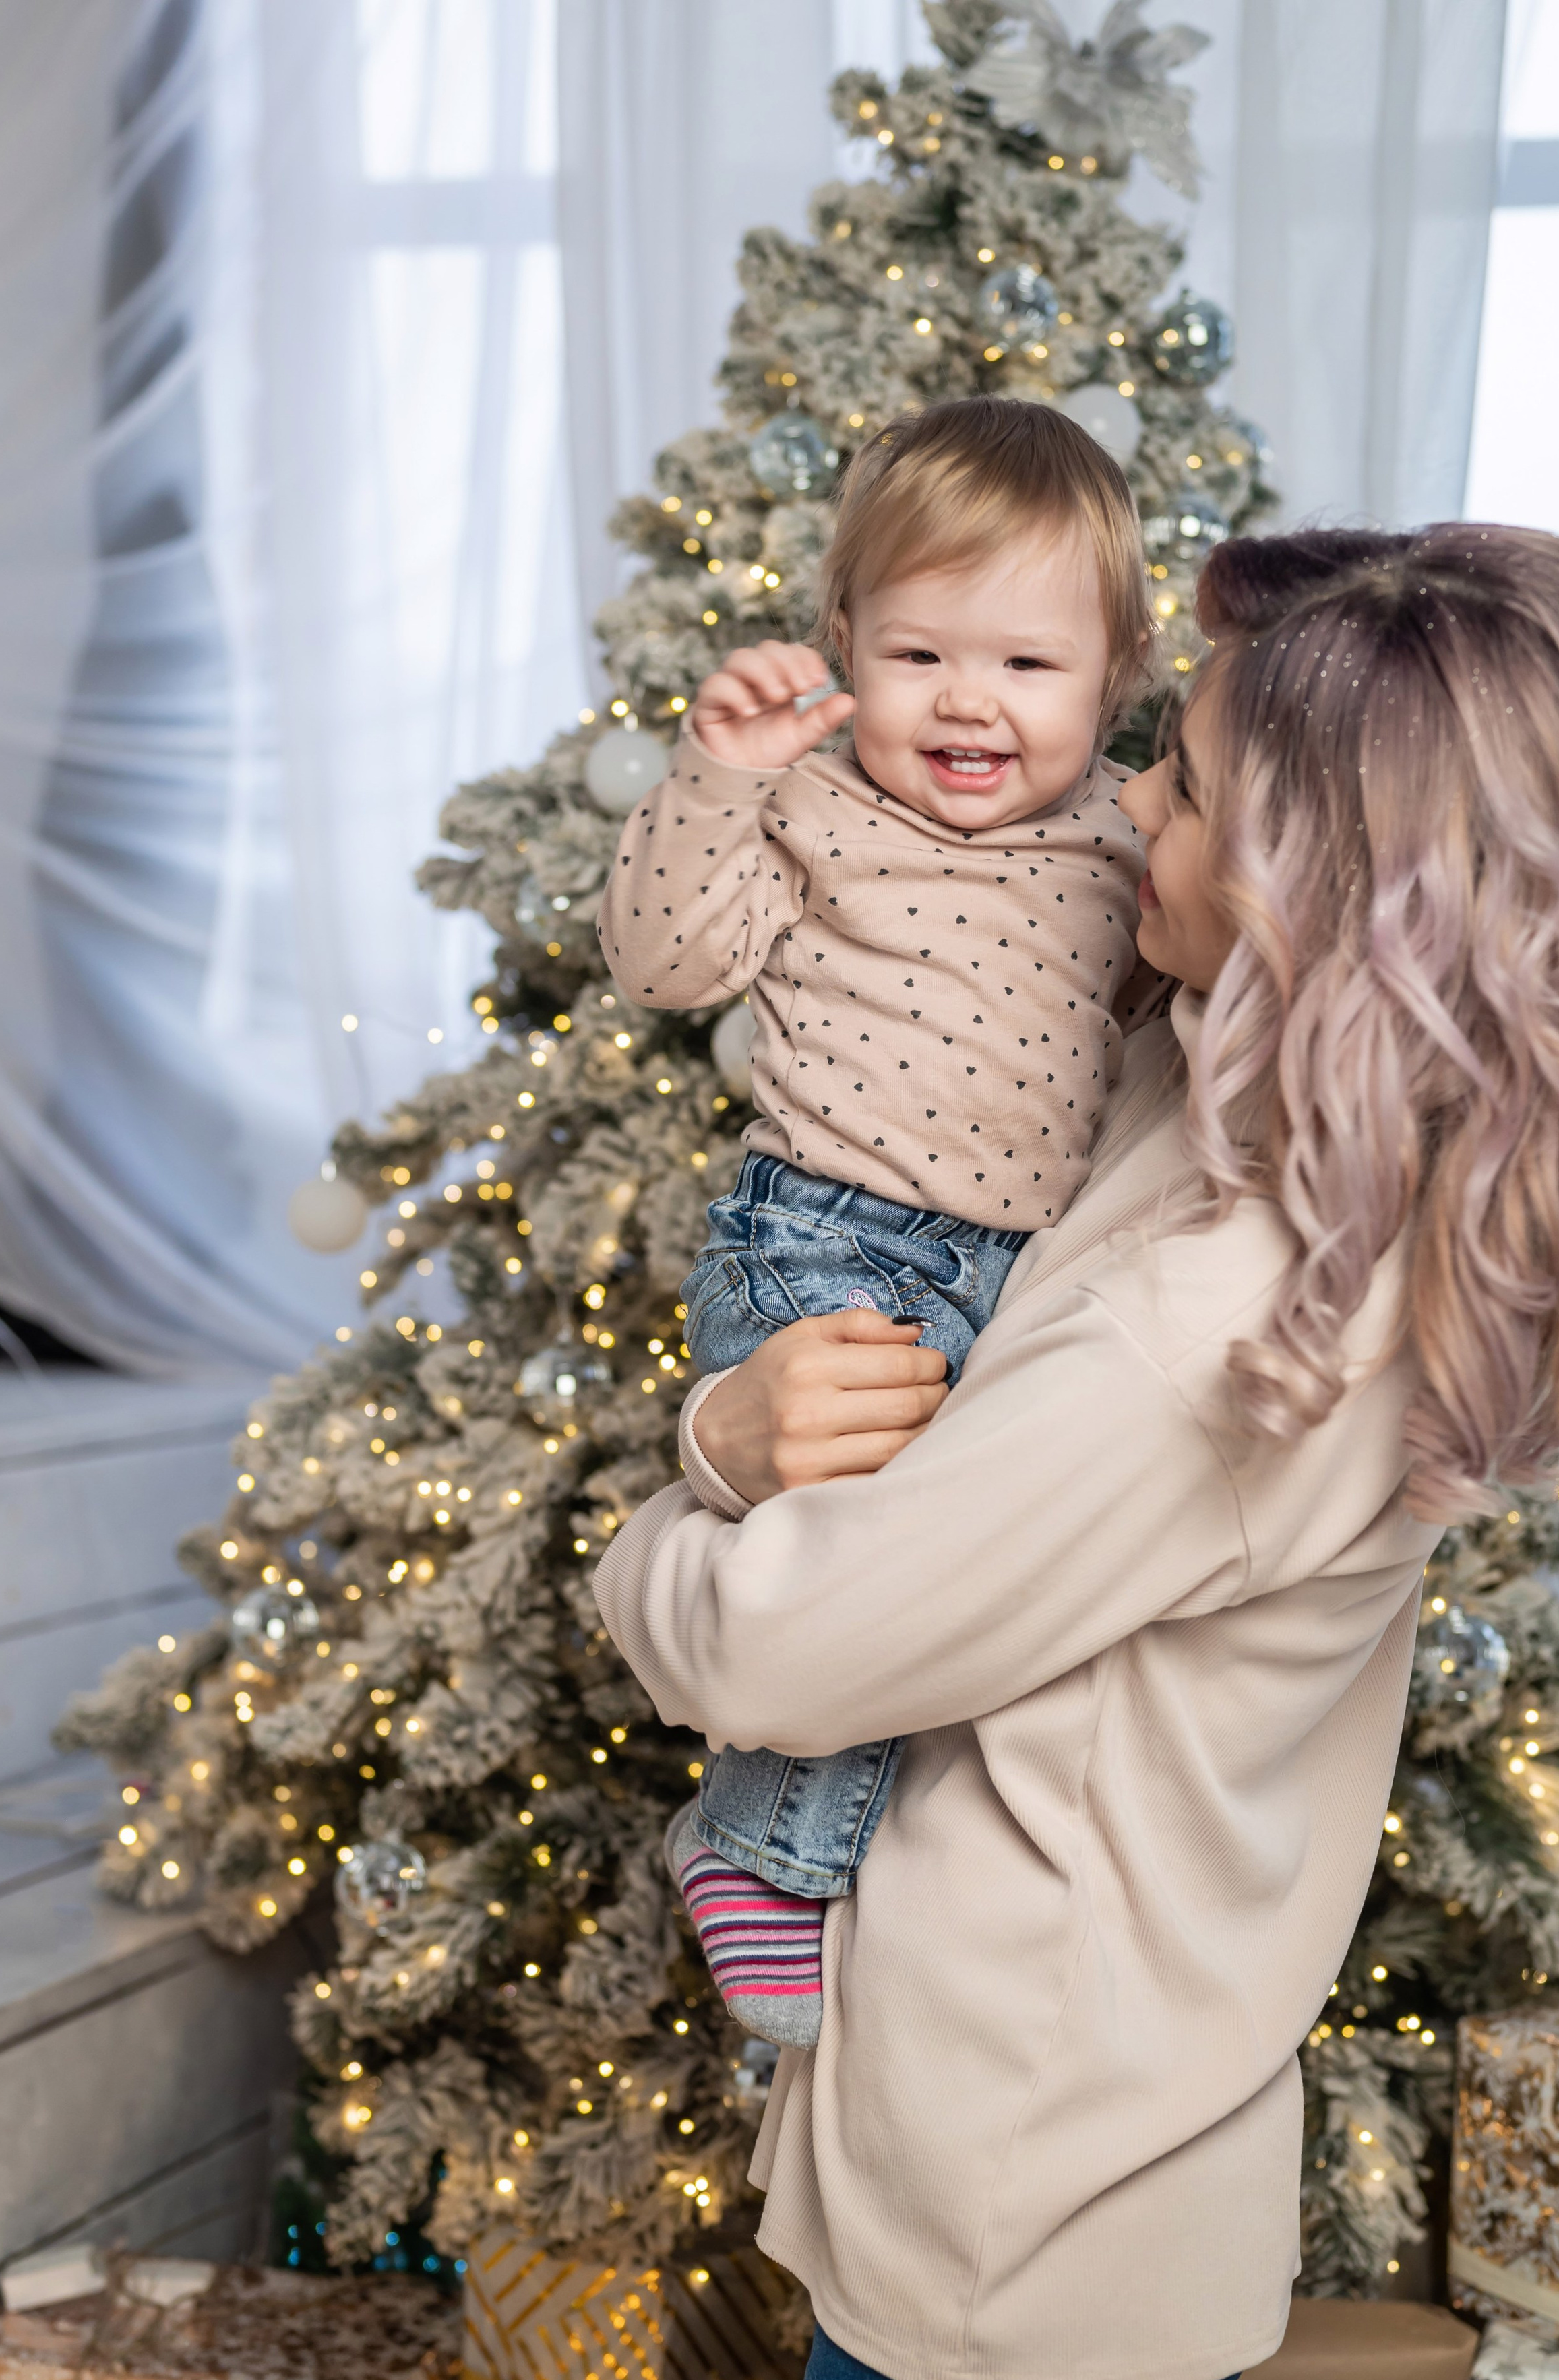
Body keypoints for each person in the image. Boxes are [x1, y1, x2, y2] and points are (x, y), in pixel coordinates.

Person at [593, 523, 1559, 2380]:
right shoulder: (1275, 1130)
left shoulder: (1222, 1325)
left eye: (1188, 779)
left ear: (1326, 882)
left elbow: (782, 1651)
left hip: (1018, 2251)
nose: (1129, 802)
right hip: (1091, 2185)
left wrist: (691, 1472)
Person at [599, 396, 1167, 2048]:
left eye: (1023, 665)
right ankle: (762, 1859)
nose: (965, 703)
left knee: (968, 1582)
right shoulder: (811, 809)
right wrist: (717, 775)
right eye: (918, 656)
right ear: (843, 639)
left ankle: (837, 1874)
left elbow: (1171, 1024)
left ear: (1116, 672)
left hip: (1026, 1268)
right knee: (850, 1549)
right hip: (830, 1241)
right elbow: (667, 962)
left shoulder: (1130, 834)